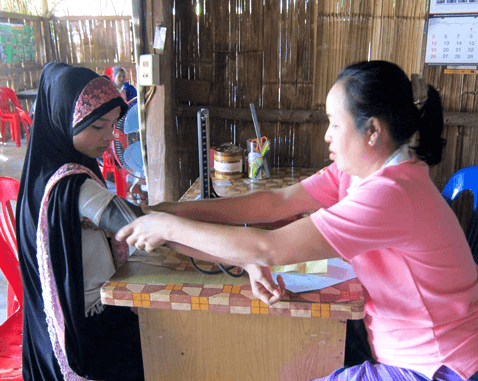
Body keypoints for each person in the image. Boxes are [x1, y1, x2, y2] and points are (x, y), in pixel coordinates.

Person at [117, 60, 478, 381]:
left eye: (335, 124)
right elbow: (273, 203)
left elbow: (269, 247)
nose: (327, 135)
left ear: (373, 131)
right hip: (417, 352)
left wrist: (169, 227)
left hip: (440, 366)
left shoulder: (391, 194)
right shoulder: (358, 173)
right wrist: (174, 212)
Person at [16, 62, 146, 381]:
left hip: (43, 333)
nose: (110, 136)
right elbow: (141, 225)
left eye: (113, 125)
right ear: (65, 119)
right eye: (98, 126)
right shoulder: (73, 184)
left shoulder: (41, 173)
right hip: (87, 333)